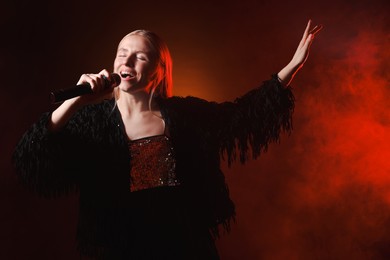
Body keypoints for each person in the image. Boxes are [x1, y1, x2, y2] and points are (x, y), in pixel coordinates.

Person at [13, 20, 321, 259]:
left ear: (159, 71)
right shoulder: (90, 121)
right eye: (122, 54)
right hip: (123, 252)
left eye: (140, 56)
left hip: (184, 250)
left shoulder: (185, 116)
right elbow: (32, 156)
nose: (127, 62)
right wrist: (74, 101)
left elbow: (243, 116)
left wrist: (289, 69)